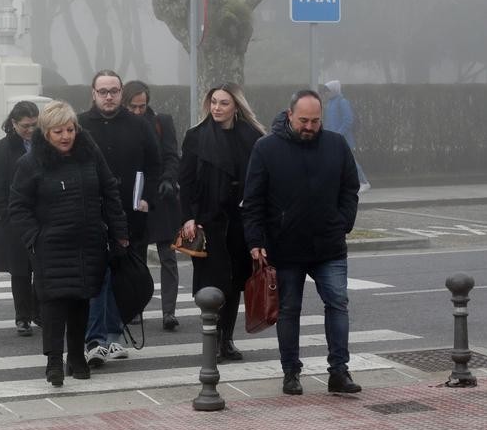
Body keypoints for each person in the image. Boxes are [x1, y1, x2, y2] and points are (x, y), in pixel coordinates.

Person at [243, 89, 362, 396]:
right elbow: (253, 199)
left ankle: (339, 372)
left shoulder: (335, 144)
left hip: (329, 244)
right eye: (304, 120)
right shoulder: (266, 148)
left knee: (338, 303)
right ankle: (291, 372)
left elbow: (350, 186)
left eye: (316, 121)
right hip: (285, 247)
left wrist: (344, 220)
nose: (310, 127)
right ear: (289, 114)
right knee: (289, 310)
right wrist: (255, 239)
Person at [8, 100, 128, 387]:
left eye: (70, 130)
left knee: (81, 300)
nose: (66, 137)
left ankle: (76, 357)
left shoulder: (90, 154)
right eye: (58, 131)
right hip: (51, 246)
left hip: (88, 241)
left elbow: (109, 190)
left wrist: (119, 233)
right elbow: (18, 206)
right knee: (53, 305)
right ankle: (53, 362)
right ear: (46, 133)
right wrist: (35, 238)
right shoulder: (31, 162)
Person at [78, 70, 161, 365]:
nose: (109, 96)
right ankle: (94, 339)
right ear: (93, 93)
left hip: (130, 215)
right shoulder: (79, 125)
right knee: (98, 278)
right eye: (103, 91)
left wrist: (148, 197)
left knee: (121, 278)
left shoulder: (139, 125)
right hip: (91, 216)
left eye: (114, 91)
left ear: (121, 92)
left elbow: (155, 165)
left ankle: (113, 336)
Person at [178, 82, 265, 362]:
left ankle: (227, 339)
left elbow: (260, 178)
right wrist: (188, 217)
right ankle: (211, 341)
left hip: (240, 222)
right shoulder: (196, 136)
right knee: (211, 285)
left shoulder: (252, 137)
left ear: (236, 106)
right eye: (214, 102)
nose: (217, 108)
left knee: (235, 283)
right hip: (208, 223)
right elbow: (186, 181)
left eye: (223, 103)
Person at [122, 80, 181, 331]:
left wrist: (168, 179)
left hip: (162, 197)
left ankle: (169, 311)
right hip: (136, 197)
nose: (138, 111)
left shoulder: (161, 121)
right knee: (137, 257)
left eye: (142, 106)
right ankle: (136, 307)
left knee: (168, 256)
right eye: (134, 106)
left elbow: (171, 155)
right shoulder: (121, 125)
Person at [0, 101, 41, 337]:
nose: (30, 130)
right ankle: (23, 316)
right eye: (25, 126)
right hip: (13, 218)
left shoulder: (45, 143)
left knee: (42, 267)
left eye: (34, 125)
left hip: (42, 216)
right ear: (14, 124)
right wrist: (3, 216)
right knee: (20, 271)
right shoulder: (1, 149)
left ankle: (39, 312)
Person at [322, 80, 370, 193]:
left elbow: (348, 120)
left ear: (334, 91)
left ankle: (364, 182)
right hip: (333, 139)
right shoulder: (330, 104)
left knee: (351, 161)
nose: (326, 94)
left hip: (344, 139)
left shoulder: (342, 102)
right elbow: (329, 122)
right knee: (336, 162)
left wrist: (339, 133)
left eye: (327, 91)